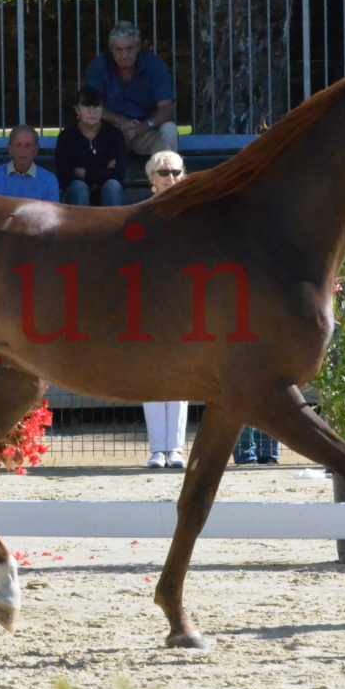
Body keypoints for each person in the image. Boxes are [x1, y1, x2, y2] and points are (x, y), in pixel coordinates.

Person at [140, 149, 189, 468]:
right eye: (164, 172)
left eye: (175, 172)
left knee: (181, 376)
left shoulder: (193, 213)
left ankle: (177, 449)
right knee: (151, 375)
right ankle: (157, 449)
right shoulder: (141, 213)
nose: (170, 178)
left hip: (185, 301)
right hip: (149, 301)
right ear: (152, 180)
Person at [84, 21, 178, 157]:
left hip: (146, 129)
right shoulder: (99, 66)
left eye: (129, 48)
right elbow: (90, 105)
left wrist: (142, 127)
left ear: (138, 47)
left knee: (169, 130)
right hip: (109, 129)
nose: (124, 55)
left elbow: (167, 108)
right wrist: (121, 121)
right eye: (119, 50)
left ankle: (167, 174)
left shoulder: (155, 66)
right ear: (111, 50)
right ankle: (99, 176)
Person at [55, 88, 126, 206]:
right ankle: (81, 225)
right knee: (79, 187)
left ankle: (114, 225)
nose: (92, 112)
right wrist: (104, 170)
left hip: (107, 192)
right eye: (86, 106)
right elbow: (65, 174)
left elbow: (119, 173)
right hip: (76, 194)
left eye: (96, 106)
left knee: (113, 186)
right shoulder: (67, 136)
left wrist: (83, 173)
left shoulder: (114, 135)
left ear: (103, 110)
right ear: (77, 110)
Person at [0, 124, 59, 202]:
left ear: (36, 150)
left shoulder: (49, 180)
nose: (22, 150)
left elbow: (50, 214)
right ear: (10, 149)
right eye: (18, 145)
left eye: (28, 145)